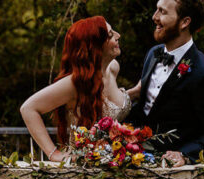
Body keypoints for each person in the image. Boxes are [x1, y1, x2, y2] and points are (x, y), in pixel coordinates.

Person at [126, 0, 204, 166]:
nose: (154, 17)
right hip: (136, 161)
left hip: (171, 175)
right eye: (157, 9)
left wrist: (184, 155)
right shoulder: (153, 54)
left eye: (163, 12)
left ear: (185, 22)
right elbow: (146, 110)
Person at [20, 16, 132, 162]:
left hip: (115, 166)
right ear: (95, 46)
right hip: (81, 168)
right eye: (111, 35)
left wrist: (137, 91)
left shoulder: (113, 68)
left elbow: (112, 104)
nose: (118, 36)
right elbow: (28, 109)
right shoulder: (75, 84)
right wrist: (54, 154)